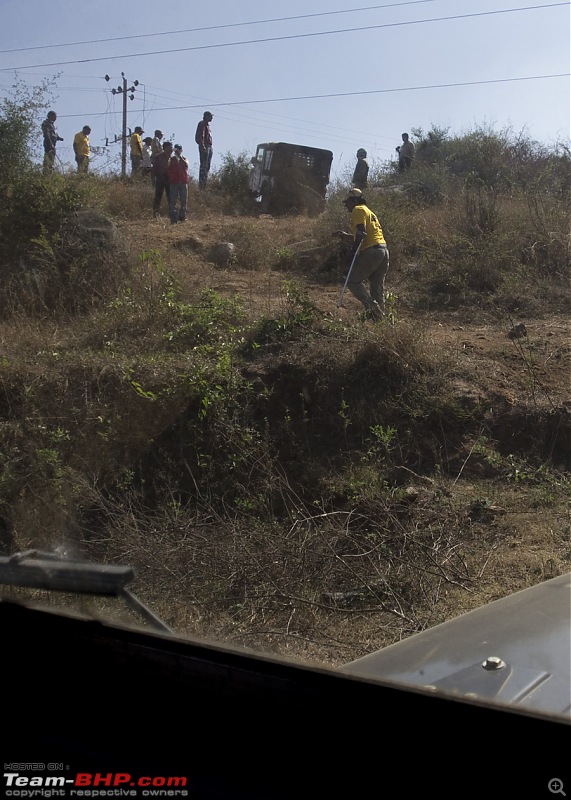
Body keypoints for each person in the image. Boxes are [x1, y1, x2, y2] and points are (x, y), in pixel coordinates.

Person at [335, 188, 389, 320]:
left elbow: (361, 233)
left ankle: (373, 308)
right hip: (383, 251)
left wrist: (353, 253)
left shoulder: (357, 210)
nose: (346, 205)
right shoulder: (369, 211)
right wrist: (346, 236)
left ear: (354, 200)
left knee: (352, 281)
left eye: (347, 202)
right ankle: (380, 320)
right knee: (376, 287)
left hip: (371, 251)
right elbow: (364, 233)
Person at [151, 141, 173, 217]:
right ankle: (155, 214)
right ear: (165, 148)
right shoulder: (158, 157)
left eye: (171, 147)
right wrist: (153, 180)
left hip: (169, 179)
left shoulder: (173, 159)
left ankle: (171, 214)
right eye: (169, 147)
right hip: (160, 178)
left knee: (171, 197)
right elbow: (154, 169)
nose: (171, 149)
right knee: (158, 196)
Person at [168, 144, 189, 224]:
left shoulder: (184, 159)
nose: (178, 151)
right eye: (176, 150)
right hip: (174, 182)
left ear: (181, 150)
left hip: (183, 182)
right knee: (173, 201)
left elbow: (186, 165)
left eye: (179, 149)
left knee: (184, 200)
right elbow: (168, 167)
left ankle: (182, 216)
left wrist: (179, 158)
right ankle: (173, 219)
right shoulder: (171, 159)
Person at [195, 111, 213, 190]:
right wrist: (202, 146)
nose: (212, 118)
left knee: (207, 166)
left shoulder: (207, 126)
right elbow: (200, 135)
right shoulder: (202, 124)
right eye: (210, 116)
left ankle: (204, 185)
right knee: (204, 166)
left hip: (209, 146)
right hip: (205, 146)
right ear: (206, 116)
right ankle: (202, 186)